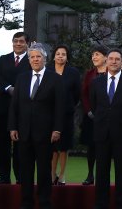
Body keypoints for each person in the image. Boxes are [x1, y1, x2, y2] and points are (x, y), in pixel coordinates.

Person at [9, 44, 65, 209]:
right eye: (32, 57)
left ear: (45, 59)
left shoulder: (55, 79)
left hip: (46, 133)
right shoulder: (22, 78)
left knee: (43, 171)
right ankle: (26, 203)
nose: (35, 59)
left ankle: (44, 202)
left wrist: (57, 129)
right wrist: (12, 127)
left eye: (38, 57)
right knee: (25, 171)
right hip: (23, 132)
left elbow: (60, 107)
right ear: (29, 60)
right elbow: (15, 105)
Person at [91, 49, 122, 209]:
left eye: (117, 59)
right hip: (102, 133)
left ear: (121, 62)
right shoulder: (96, 83)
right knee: (101, 171)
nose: (113, 61)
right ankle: (101, 204)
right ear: (106, 61)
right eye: (111, 59)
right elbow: (94, 105)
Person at [0, 31, 31, 184]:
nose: (18, 44)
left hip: (23, 108)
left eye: (21, 41)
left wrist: (18, 90)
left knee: (20, 144)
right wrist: (8, 88)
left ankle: (21, 177)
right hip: (3, 106)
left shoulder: (31, 59)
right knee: (2, 143)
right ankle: (4, 176)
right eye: (16, 41)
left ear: (27, 43)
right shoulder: (3, 59)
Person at [48, 44, 80, 186]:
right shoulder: (47, 71)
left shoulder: (73, 72)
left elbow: (77, 94)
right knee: (52, 146)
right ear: (54, 56)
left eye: (63, 54)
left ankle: (62, 174)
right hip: (49, 114)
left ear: (67, 58)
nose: (60, 56)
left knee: (63, 146)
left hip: (66, 113)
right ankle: (52, 173)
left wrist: (69, 105)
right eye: (58, 54)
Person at [80, 44, 108, 185]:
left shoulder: (112, 72)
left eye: (97, 54)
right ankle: (90, 175)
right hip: (91, 117)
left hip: (108, 118)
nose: (94, 57)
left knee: (106, 148)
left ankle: (103, 177)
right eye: (92, 55)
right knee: (91, 147)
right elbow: (84, 94)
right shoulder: (89, 74)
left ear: (105, 57)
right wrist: (89, 111)